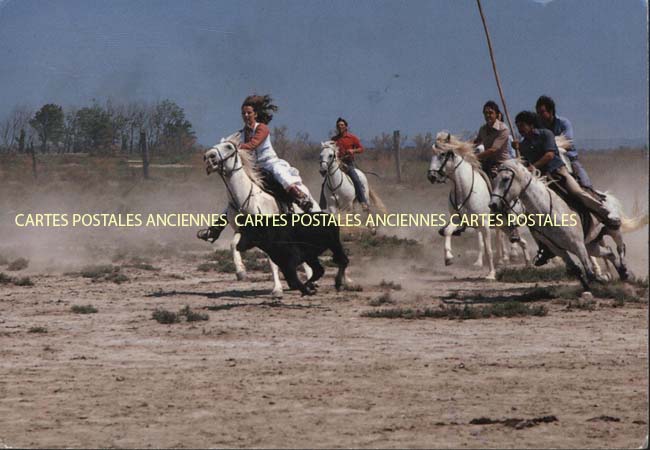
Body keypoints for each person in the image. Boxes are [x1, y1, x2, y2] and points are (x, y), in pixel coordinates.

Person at [197, 95, 313, 243]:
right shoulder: (240, 133)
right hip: (254, 168)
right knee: (237, 198)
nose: (246, 116)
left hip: (270, 163)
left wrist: (234, 147)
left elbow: (252, 145)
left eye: (249, 113)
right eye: (243, 113)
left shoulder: (262, 128)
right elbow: (226, 143)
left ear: (255, 114)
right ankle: (214, 230)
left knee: (280, 174)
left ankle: (301, 199)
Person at [512, 111, 620, 265]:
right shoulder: (522, 145)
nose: (520, 129)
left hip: (557, 173)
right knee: (531, 216)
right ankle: (544, 247)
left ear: (530, 124)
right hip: (541, 180)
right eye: (518, 126)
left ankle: (605, 215)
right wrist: (519, 151)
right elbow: (524, 164)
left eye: (522, 125)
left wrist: (532, 166)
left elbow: (549, 155)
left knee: (577, 192)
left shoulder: (546, 134)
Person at [535, 95, 593, 189]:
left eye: (542, 112)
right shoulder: (538, 127)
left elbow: (567, 142)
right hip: (546, 161)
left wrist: (549, 146)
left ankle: (592, 194)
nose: (539, 116)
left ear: (550, 111)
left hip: (569, 158)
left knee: (585, 183)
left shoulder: (563, 123)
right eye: (538, 113)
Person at [326, 117, 369, 211]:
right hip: (336, 164)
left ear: (346, 127)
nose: (340, 127)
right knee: (325, 182)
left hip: (348, 163)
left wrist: (353, 150)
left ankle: (363, 202)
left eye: (342, 125)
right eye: (338, 125)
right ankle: (324, 203)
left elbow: (361, 149)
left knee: (356, 180)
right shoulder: (333, 139)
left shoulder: (352, 138)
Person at [474, 101, 512, 178]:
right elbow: (475, 142)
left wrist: (474, 157)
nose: (488, 115)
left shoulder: (503, 129)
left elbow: (493, 149)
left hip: (501, 164)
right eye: (485, 113)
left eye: (491, 113)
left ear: (496, 114)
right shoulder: (483, 129)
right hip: (487, 163)